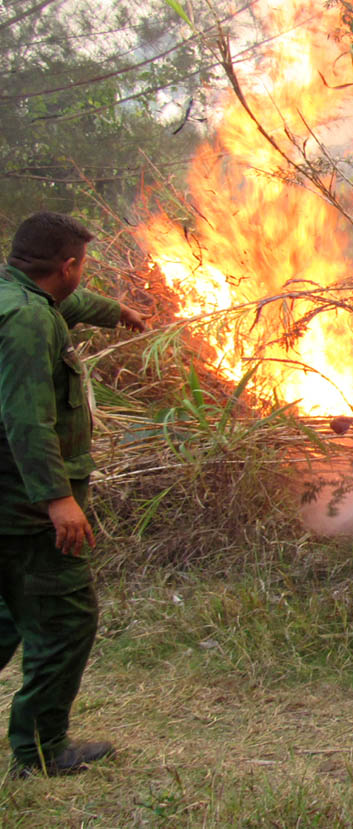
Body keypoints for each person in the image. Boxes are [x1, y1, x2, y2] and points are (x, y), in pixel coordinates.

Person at [0, 211, 146, 777]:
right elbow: (27, 419)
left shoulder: (15, 296)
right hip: (24, 511)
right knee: (65, 621)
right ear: (67, 267)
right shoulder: (28, 324)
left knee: (7, 616)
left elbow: (70, 304)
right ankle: (39, 750)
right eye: (81, 266)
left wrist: (119, 313)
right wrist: (57, 499)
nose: (80, 277)